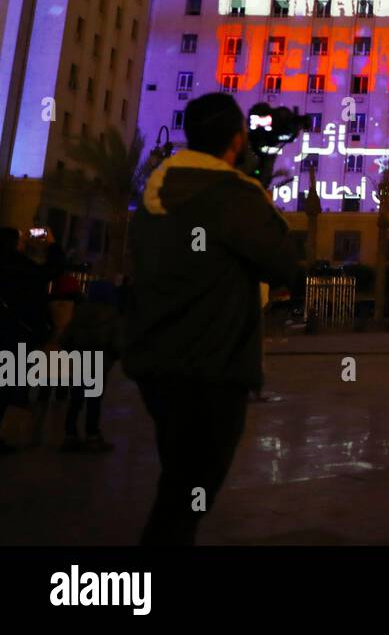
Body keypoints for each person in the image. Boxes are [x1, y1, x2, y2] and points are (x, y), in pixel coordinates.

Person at [125, 93, 300, 545]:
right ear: (238, 139)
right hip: (212, 369)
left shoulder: (158, 192)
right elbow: (283, 261)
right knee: (188, 493)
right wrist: (258, 175)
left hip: (155, 363)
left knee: (178, 478)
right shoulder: (234, 196)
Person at [0, 228, 56, 452]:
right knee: (6, 385)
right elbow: (50, 271)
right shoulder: (20, 268)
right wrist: (51, 245)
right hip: (14, 334)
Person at [61, 280, 123, 452]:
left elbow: (65, 338)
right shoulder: (113, 314)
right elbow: (118, 343)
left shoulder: (80, 312)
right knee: (94, 401)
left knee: (75, 399)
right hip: (99, 363)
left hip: (81, 361)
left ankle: (70, 435)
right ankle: (92, 436)